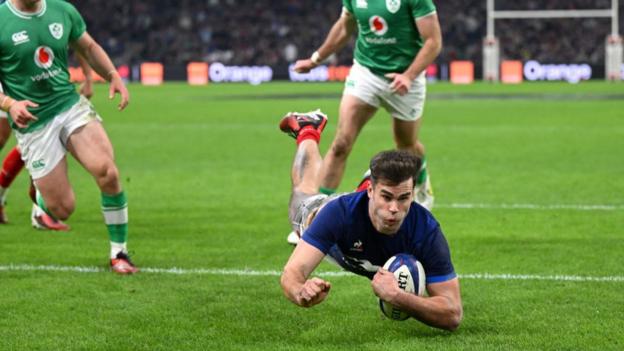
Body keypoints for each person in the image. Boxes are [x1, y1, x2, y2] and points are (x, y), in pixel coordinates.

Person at [279, 111, 462, 331]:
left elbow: (453, 314)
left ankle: (385, 185)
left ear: (413, 194)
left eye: (404, 198)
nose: (395, 209)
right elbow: (292, 274)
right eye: (386, 197)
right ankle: (307, 129)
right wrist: (300, 292)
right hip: (333, 220)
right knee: (302, 194)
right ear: (371, 191)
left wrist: (397, 296)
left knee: (385, 198)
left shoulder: (426, 230)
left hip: (366, 208)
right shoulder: (337, 215)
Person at [0, 0, 137, 274]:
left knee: (107, 172)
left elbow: (88, 46)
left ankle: (119, 253)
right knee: (62, 209)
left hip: (68, 104)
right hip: (34, 122)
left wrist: (111, 74)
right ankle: (42, 193)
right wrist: (8, 104)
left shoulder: (62, 10)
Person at [292, 0, 442, 211]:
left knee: (406, 145)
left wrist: (408, 76)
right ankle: (317, 212)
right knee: (341, 143)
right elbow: (345, 26)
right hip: (366, 73)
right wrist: (315, 59)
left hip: (406, 76)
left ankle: (422, 177)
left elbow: (433, 41)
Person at [0, 52, 93, 230]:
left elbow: (80, 42)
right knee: (7, 139)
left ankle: (40, 211)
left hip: (39, 82)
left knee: (41, 138)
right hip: (11, 76)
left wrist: (88, 77)